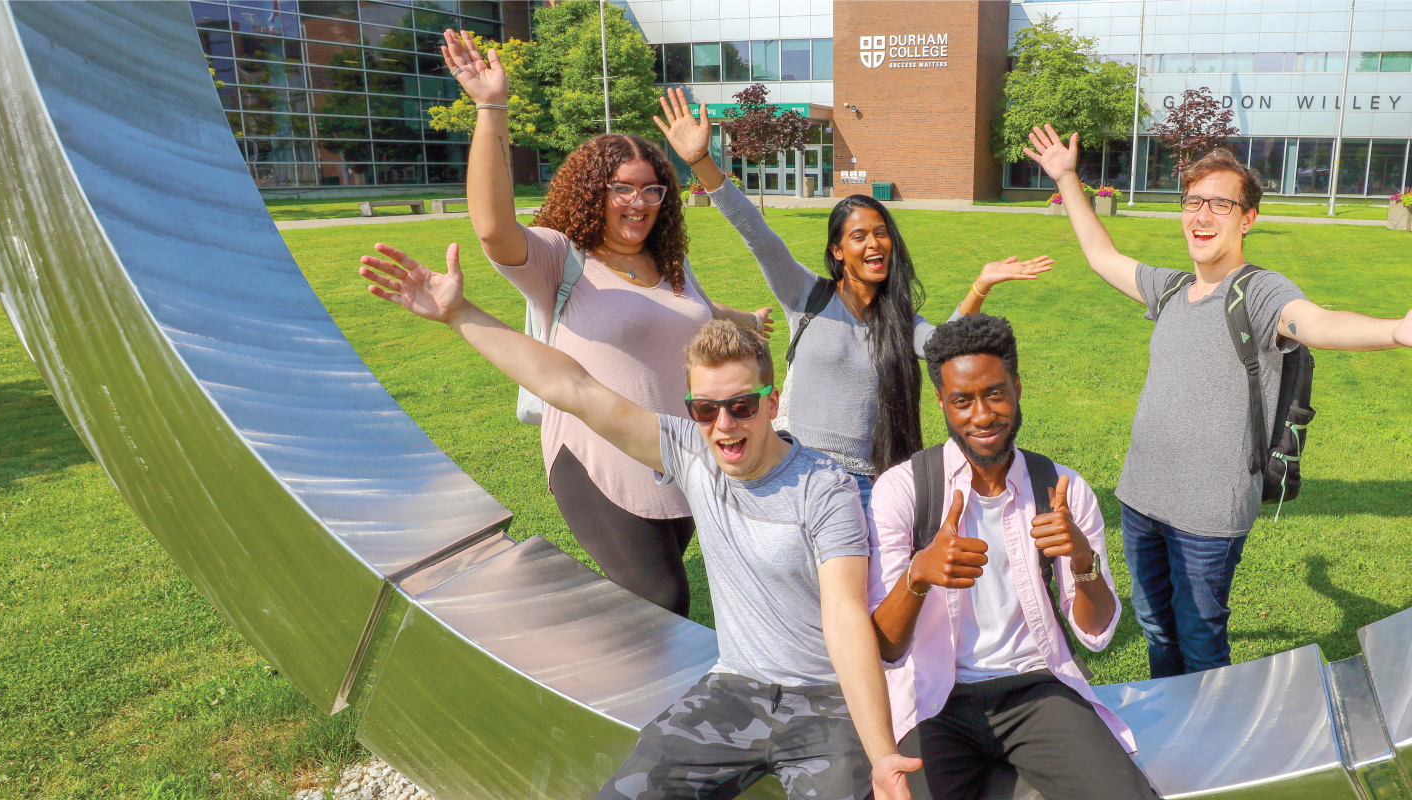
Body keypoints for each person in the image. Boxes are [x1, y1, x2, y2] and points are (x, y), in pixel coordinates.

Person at [357, 240, 921, 800]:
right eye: (705, 409)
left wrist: (880, 754)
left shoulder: (823, 488)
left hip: (825, 701)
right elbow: (572, 387)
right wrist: (459, 314)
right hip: (733, 692)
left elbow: (846, 619)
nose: (724, 425)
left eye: (742, 406)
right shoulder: (692, 453)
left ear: (773, 403)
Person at [1024, 125, 1412, 678]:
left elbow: (1318, 322)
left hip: (1208, 513)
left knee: (1202, 642)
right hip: (1140, 498)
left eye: (1220, 205)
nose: (1201, 216)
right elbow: (1101, 255)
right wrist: (1066, 176)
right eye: (1193, 202)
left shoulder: (1259, 291)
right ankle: (1174, 741)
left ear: (1247, 217)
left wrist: (1396, 331)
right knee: (1158, 630)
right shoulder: (1172, 290)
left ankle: (1214, 749)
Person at [442, 31, 774, 618]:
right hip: (597, 451)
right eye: (623, 187)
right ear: (594, 192)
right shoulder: (559, 258)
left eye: (652, 189)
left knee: (647, 601)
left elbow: (698, 311)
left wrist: (747, 319)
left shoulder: (669, 261)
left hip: (678, 449)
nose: (639, 202)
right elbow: (494, 228)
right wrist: (490, 108)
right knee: (662, 599)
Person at [653, 90, 1055, 506]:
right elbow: (757, 234)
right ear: (837, 251)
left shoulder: (899, 320)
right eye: (859, 236)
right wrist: (702, 162)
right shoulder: (806, 294)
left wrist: (980, 285)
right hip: (797, 473)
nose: (874, 244)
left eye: (881, 233)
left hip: (865, 485)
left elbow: (945, 347)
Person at [868, 315, 1156, 800]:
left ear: (1018, 388)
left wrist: (1082, 560)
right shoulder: (903, 490)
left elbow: (1096, 632)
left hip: (1035, 689)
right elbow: (886, 646)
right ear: (940, 402)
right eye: (962, 400)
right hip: (935, 702)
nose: (981, 416)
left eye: (995, 394)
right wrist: (919, 575)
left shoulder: (1060, 489)